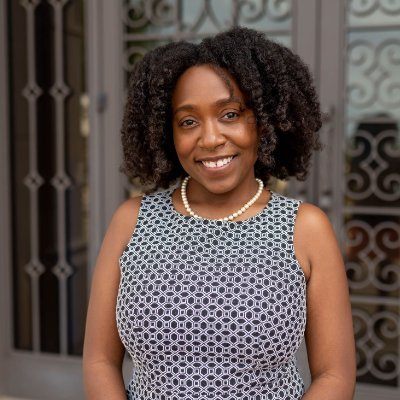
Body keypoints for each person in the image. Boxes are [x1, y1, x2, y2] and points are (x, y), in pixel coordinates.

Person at [83, 26, 356, 399]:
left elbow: (334, 376)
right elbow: (99, 361)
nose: (210, 139)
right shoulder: (131, 221)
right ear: (168, 134)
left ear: (263, 121)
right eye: (188, 121)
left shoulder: (305, 229)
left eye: (230, 114)